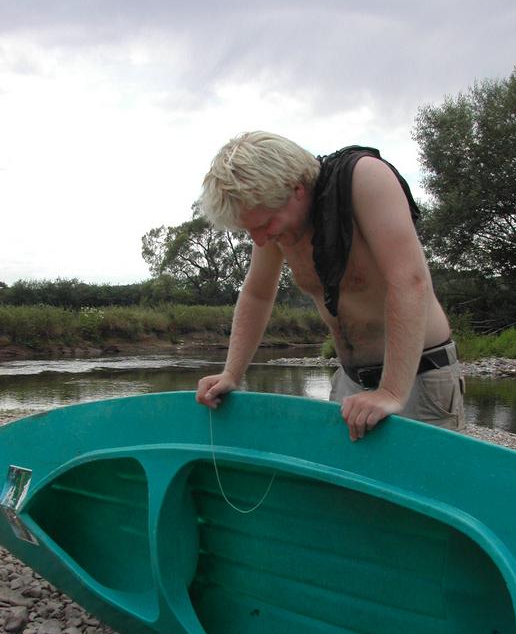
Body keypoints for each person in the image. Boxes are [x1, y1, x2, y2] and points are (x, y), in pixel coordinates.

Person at [196, 131, 465, 440]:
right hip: (350, 383)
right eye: (249, 230)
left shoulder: (364, 179)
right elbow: (257, 294)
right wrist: (231, 373)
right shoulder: (276, 224)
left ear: (296, 188)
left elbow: (410, 281)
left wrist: (390, 391)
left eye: (264, 224)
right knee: (348, 490)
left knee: (419, 486)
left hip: (417, 378)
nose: (259, 239)